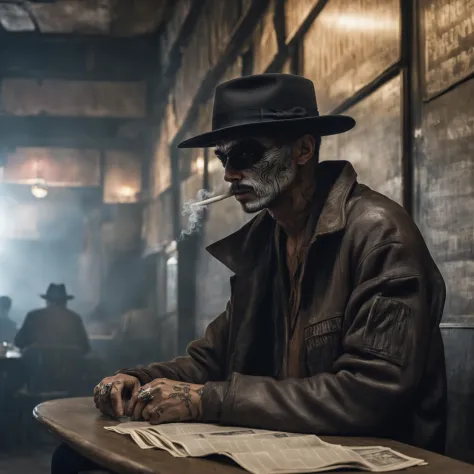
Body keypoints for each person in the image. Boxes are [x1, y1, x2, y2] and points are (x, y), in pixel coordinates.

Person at [52, 74, 447, 473]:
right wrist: (137, 379)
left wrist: (206, 401)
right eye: (224, 158)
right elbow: (211, 359)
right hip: (288, 448)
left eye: (246, 155)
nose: (228, 174)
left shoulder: (379, 235)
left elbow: (370, 393)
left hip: (369, 459)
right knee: (76, 460)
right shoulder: (267, 243)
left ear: (304, 149)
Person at [15, 283, 90, 355]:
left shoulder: (33, 316)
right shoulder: (74, 318)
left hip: (37, 366)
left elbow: (19, 342)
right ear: (65, 302)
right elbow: (85, 348)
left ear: (47, 301)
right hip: (68, 367)